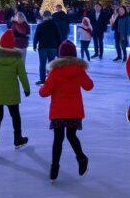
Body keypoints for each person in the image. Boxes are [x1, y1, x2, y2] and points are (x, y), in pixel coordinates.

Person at [39, 40, 93, 182]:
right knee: (71, 135)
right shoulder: (79, 70)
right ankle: (81, 158)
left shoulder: (55, 72)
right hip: (74, 111)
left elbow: (44, 92)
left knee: (58, 139)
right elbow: (89, 86)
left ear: (60, 55)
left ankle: (54, 169)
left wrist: (44, 82)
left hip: (58, 112)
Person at [0, 30, 30, 155]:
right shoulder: (17, 59)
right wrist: (26, 88)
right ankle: (18, 139)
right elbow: (22, 76)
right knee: (15, 116)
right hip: (12, 93)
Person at [33, 11, 62, 85]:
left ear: (43, 16)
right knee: (51, 63)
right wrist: (59, 46)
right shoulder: (55, 25)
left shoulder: (41, 25)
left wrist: (34, 45)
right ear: (50, 16)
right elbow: (59, 37)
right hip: (52, 47)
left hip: (42, 47)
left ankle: (42, 80)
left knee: (42, 64)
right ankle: (51, 79)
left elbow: (36, 36)